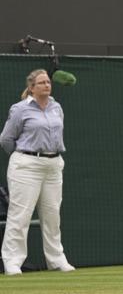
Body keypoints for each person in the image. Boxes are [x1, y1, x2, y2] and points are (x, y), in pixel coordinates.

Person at [0, 69, 75, 276]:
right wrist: (25, 157)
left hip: (53, 165)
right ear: (32, 87)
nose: (46, 85)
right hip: (26, 165)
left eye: (48, 82)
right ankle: (12, 262)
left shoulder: (56, 107)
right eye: (41, 82)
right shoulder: (20, 109)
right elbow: (6, 139)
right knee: (20, 215)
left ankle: (57, 259)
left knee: (52, 215)